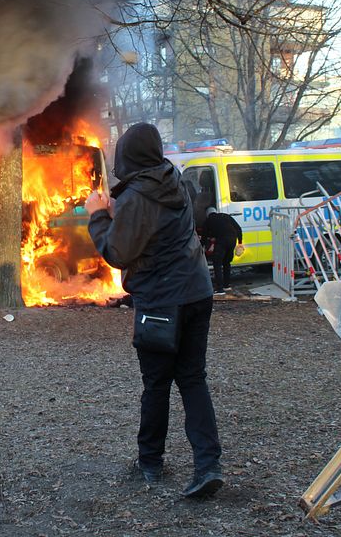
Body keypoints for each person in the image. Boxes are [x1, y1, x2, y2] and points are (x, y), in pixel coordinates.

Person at [85, 123, 222, 498]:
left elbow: (118, 253)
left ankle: (150, 463)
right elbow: (153, 230)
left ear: (127, 158)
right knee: (193, 379)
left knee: (157, 385)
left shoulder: (137, 196)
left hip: (162, 300)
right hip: (197, 292)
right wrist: (120, 214)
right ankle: (208, 465)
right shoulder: (170, 180)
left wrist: (98, 214)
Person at [201, 212, 243, 294]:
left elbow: (204, 236)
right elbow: (238, 228)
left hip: (222, 241)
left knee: (217, 264)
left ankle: (219, 289)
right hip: (232, 239)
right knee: (227, 262)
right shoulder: (226, 216)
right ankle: (226, 285)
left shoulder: (208, 220)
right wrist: (240, 242)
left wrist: (201, 246)